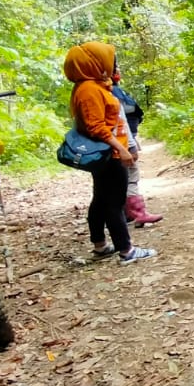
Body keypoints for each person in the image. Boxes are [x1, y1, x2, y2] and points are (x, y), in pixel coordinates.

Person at [64, 42, 158, 264]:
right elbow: (96, 127)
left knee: (101, 199)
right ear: (94, 63)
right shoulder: (89, 89)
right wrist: (122, 149)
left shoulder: (92, 86)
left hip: (107, 152)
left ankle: (100, 245)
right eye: (108, 60)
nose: (112, 65)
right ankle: (126, 250)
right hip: (109, 154)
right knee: (114, 202)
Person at [111, 69, 164, 227]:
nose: (119, 71)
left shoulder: (87, 90)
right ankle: (138, 213)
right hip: (120, 143)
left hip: (106, 145)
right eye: (116, 68)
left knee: (112, 182)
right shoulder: (112, 94)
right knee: (131, 175)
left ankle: (123, 215)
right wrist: (131, 146)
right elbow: (121, 122)